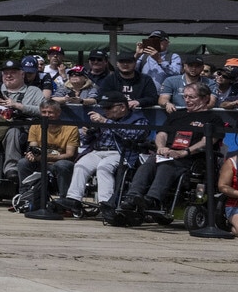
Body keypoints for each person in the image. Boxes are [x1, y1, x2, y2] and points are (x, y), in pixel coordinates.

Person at [118, 81, 225, 221]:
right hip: (167, 153)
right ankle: (132, 198)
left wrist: (184, 152)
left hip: (190, 158)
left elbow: (207, 142)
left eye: (192, 97)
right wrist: (161, 147)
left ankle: (152, 200)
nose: (187, 100)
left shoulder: (213, 119)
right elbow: (161, 134)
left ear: (205, 98)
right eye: (185, 97)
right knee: (148, 164)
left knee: (167, 165)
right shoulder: (176, 115)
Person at [54, 97, 145, 215]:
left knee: (104, 167)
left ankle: (105, 203)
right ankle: (73, 199)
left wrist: (107, 122)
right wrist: (87, 133)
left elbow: (132, 136)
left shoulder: (138, 119)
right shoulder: (104, 118)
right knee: (81, 165)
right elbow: (87, 141)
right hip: (97, 151)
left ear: (122, 107)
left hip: (121, 153)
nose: (105, 111)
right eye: (104, 108)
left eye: (109, 108)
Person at [14, 99, 81, 219]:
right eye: (43, 112)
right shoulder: (35, 126)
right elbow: (33, 148)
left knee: (63, 165)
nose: (46, 115)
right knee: (23, 163)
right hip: (40, 162)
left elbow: (70, 154)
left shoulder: (71, 128)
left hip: (61, 162)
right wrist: (31, 155)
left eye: (50, 112)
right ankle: (25, 197)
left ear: (58, 113)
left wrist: (44, 157)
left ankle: (64, 202)